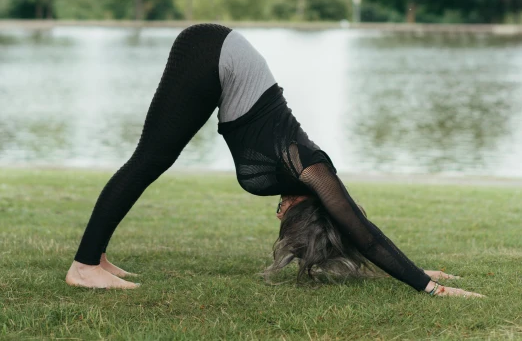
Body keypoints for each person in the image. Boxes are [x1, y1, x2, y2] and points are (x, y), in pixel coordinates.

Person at [65, 23, 484, 297]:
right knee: (150, 159)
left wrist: (419, 268)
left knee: (154, 158)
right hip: (212, 51)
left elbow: (356, 228)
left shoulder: (306, 176)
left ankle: (96, 259)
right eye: (287, 215)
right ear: (306, 205)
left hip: (220, 64)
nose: (280, 211)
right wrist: (430, 287)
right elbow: (364, 231)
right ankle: (84, 265)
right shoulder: (310, 168)